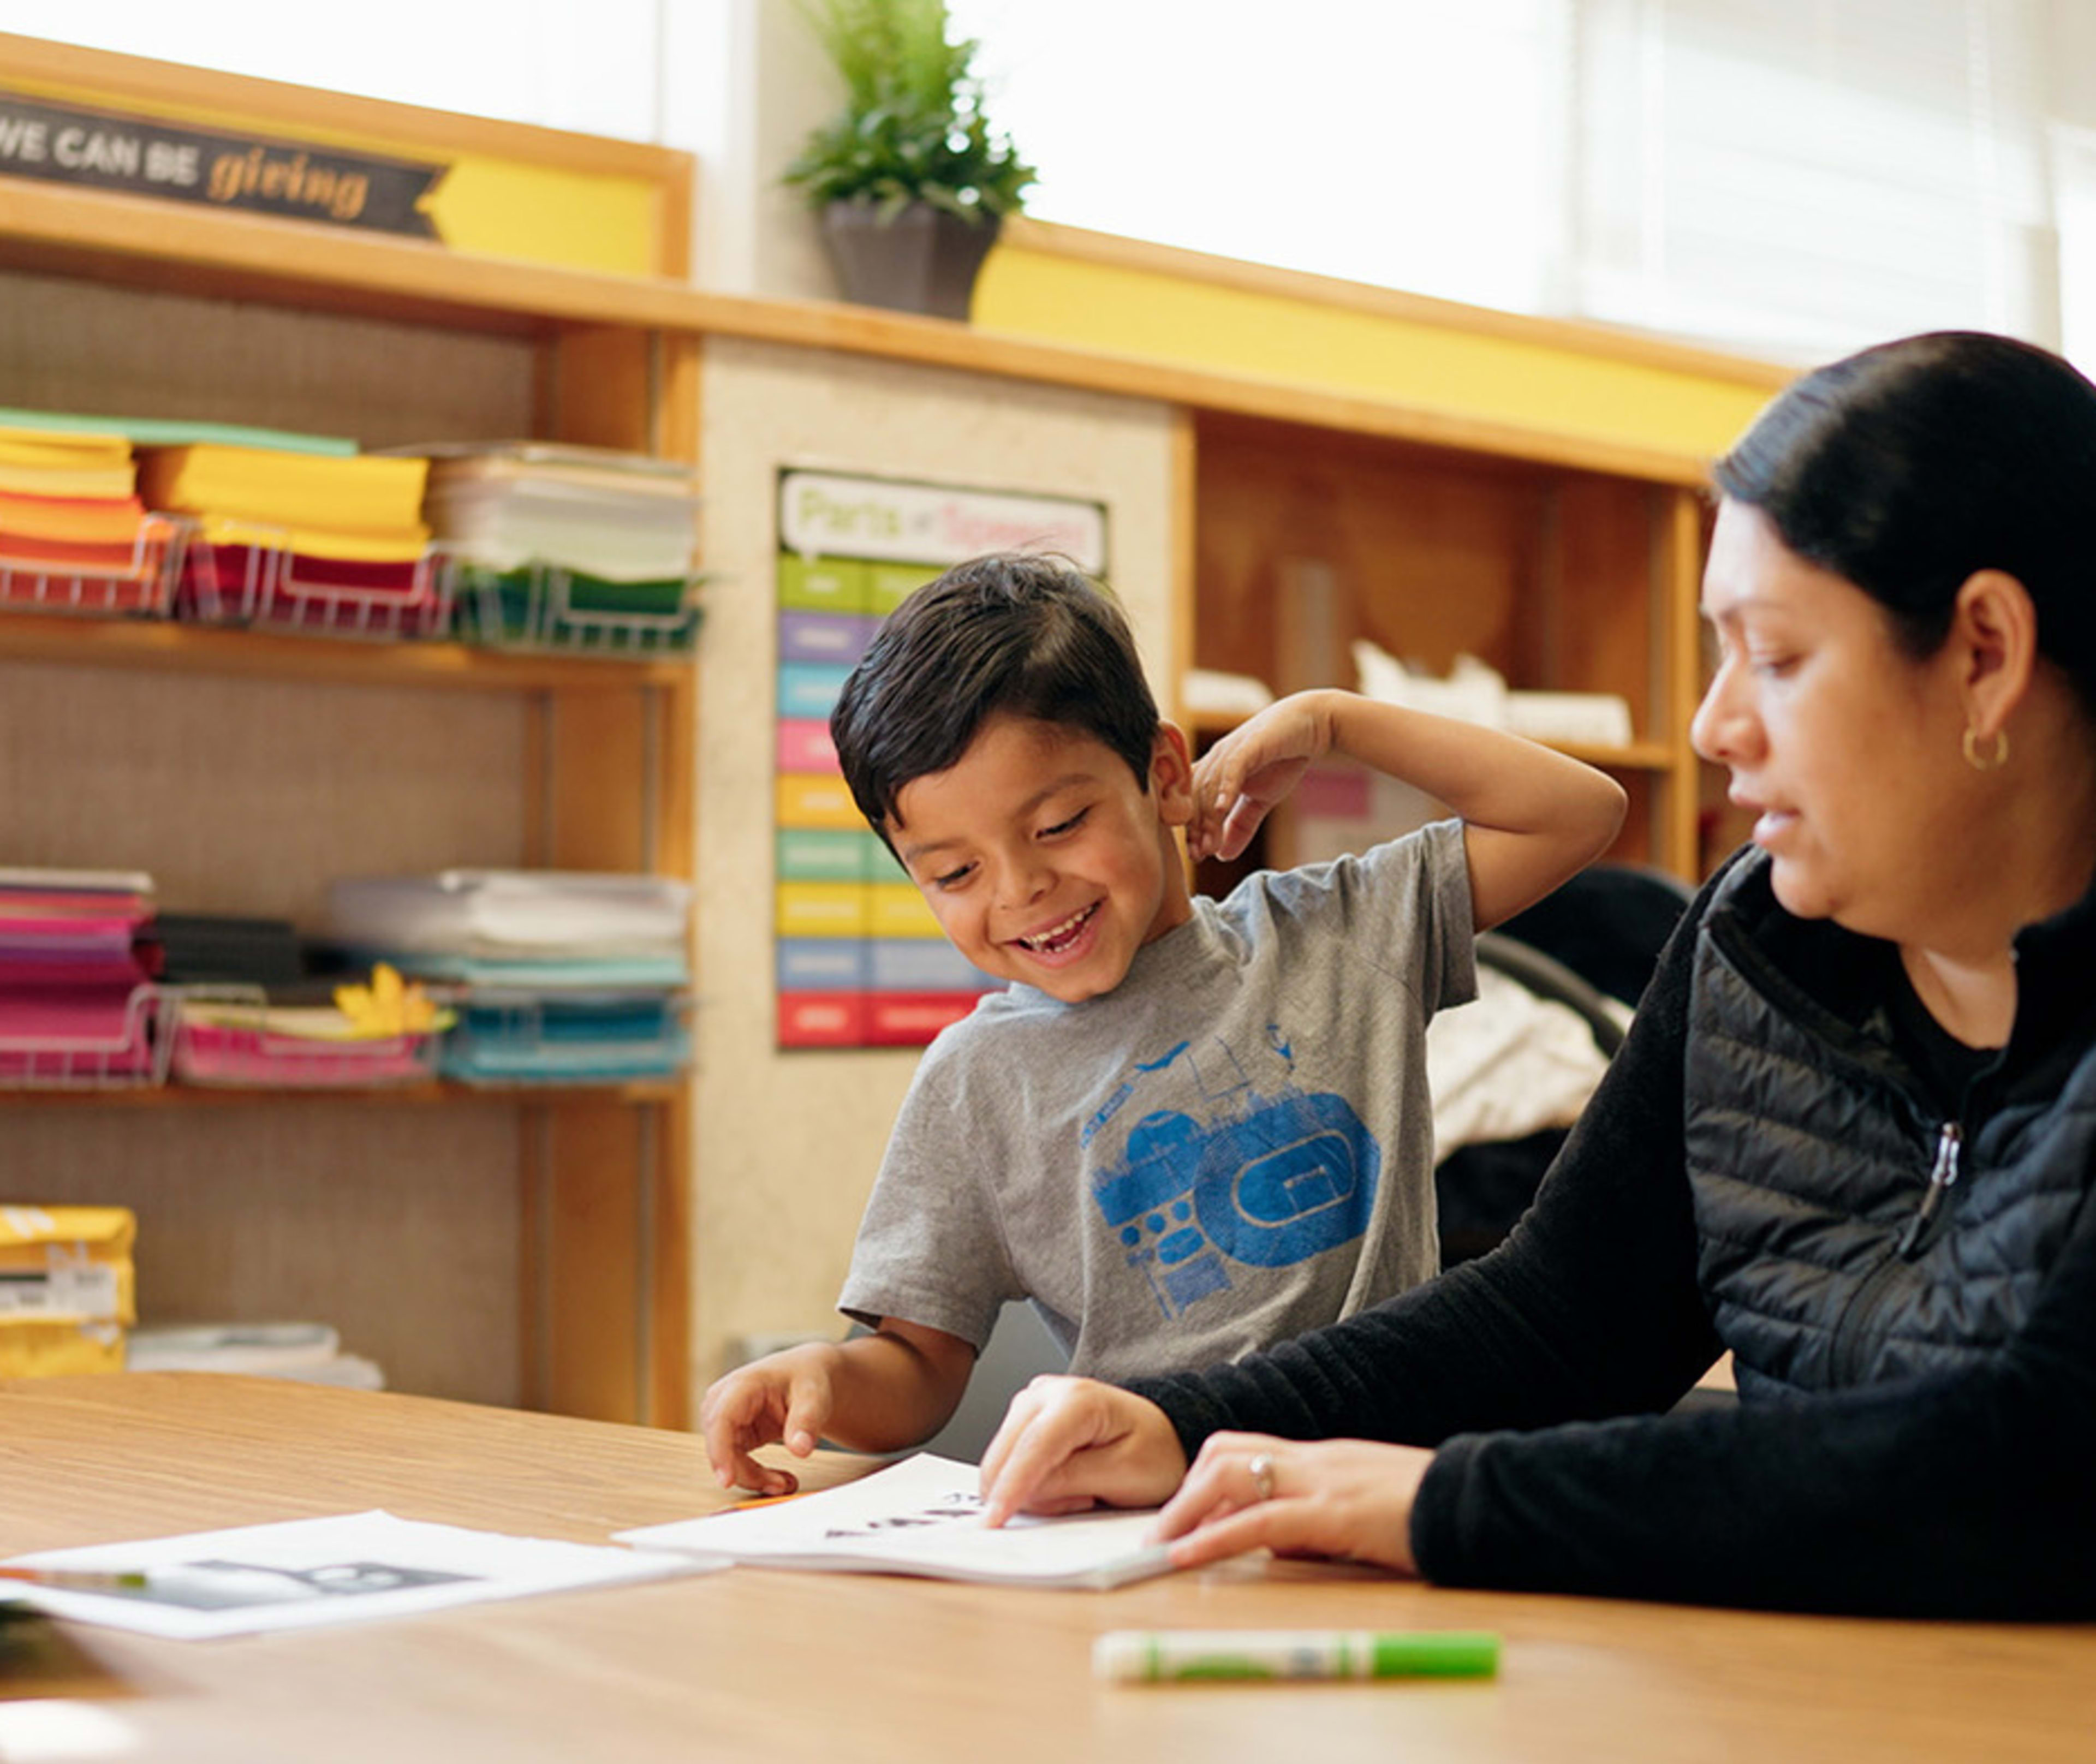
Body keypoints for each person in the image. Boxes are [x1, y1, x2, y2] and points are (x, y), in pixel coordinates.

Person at [978, 331, 2096, 1620]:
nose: (1714, 723)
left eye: (1777, 658)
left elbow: (2031, 1458)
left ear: (1985, 654)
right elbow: (1564, 1320)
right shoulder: (1759, 948)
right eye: (1719, 652)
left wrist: (1443, 1503)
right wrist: (1183, 1425)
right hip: (1841, 1732)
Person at [704, 552, 1626, 1491]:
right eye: (954, 873)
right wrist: (822, 1377)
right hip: (1146, 1519)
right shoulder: (977, 1080)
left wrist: (1332, 717)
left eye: (1059, 824)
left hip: (1382, 1491)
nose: (1021, 889)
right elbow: (919, 1361)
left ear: (1165, 775)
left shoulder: (1338, 935)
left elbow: (1578, 814)